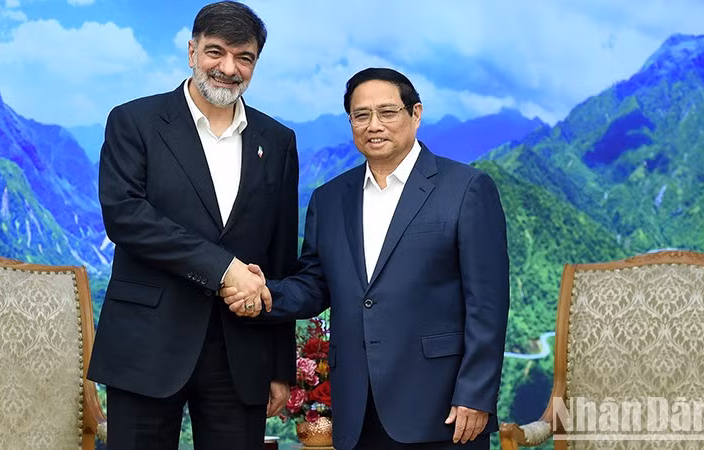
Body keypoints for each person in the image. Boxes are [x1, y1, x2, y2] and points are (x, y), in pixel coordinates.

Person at [223, 68, 509, 449]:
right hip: (357, 406)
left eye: (387, 112)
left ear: (416, 113)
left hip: (443, 408)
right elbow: (315, 283)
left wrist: (475, 393)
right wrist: (265, 295)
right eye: (361, 115)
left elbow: (487, 304)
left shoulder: (467, 188)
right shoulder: (329, 199)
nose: (374, 125)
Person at [87, 2, 298, 449]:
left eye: (245, 57)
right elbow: (126, 218)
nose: (228, 68)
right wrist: (225, 269)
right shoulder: (134, 121)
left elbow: (280, 255)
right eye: (215, 52)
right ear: (191, 51)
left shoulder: (277, 142)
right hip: (147, 344)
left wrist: (281, 366)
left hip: (240, 352)